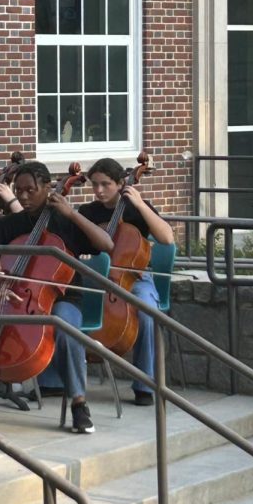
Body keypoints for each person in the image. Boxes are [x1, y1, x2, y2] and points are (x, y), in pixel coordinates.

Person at [0, 161, 112, 434]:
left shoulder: (65, 221)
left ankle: (78, 403)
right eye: (19, 190)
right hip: (15, 297)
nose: (23, 197)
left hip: (62, 300)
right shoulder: (14, 222)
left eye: (31, 190)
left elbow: (106, 244)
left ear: (48, 188)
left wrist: (72, 215)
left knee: (67, 330)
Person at [78, 158, 175, 406]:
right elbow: (76, 248)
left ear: (121, 183)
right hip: (97, 279)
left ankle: (144, 384)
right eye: (95, 185)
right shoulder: (88, 213)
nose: (99, 190)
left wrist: (140, 204)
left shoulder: (135, 209)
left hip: (136, 278)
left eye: (106, 184)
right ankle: (58, 382)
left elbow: (166, 238)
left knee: (146, 311)